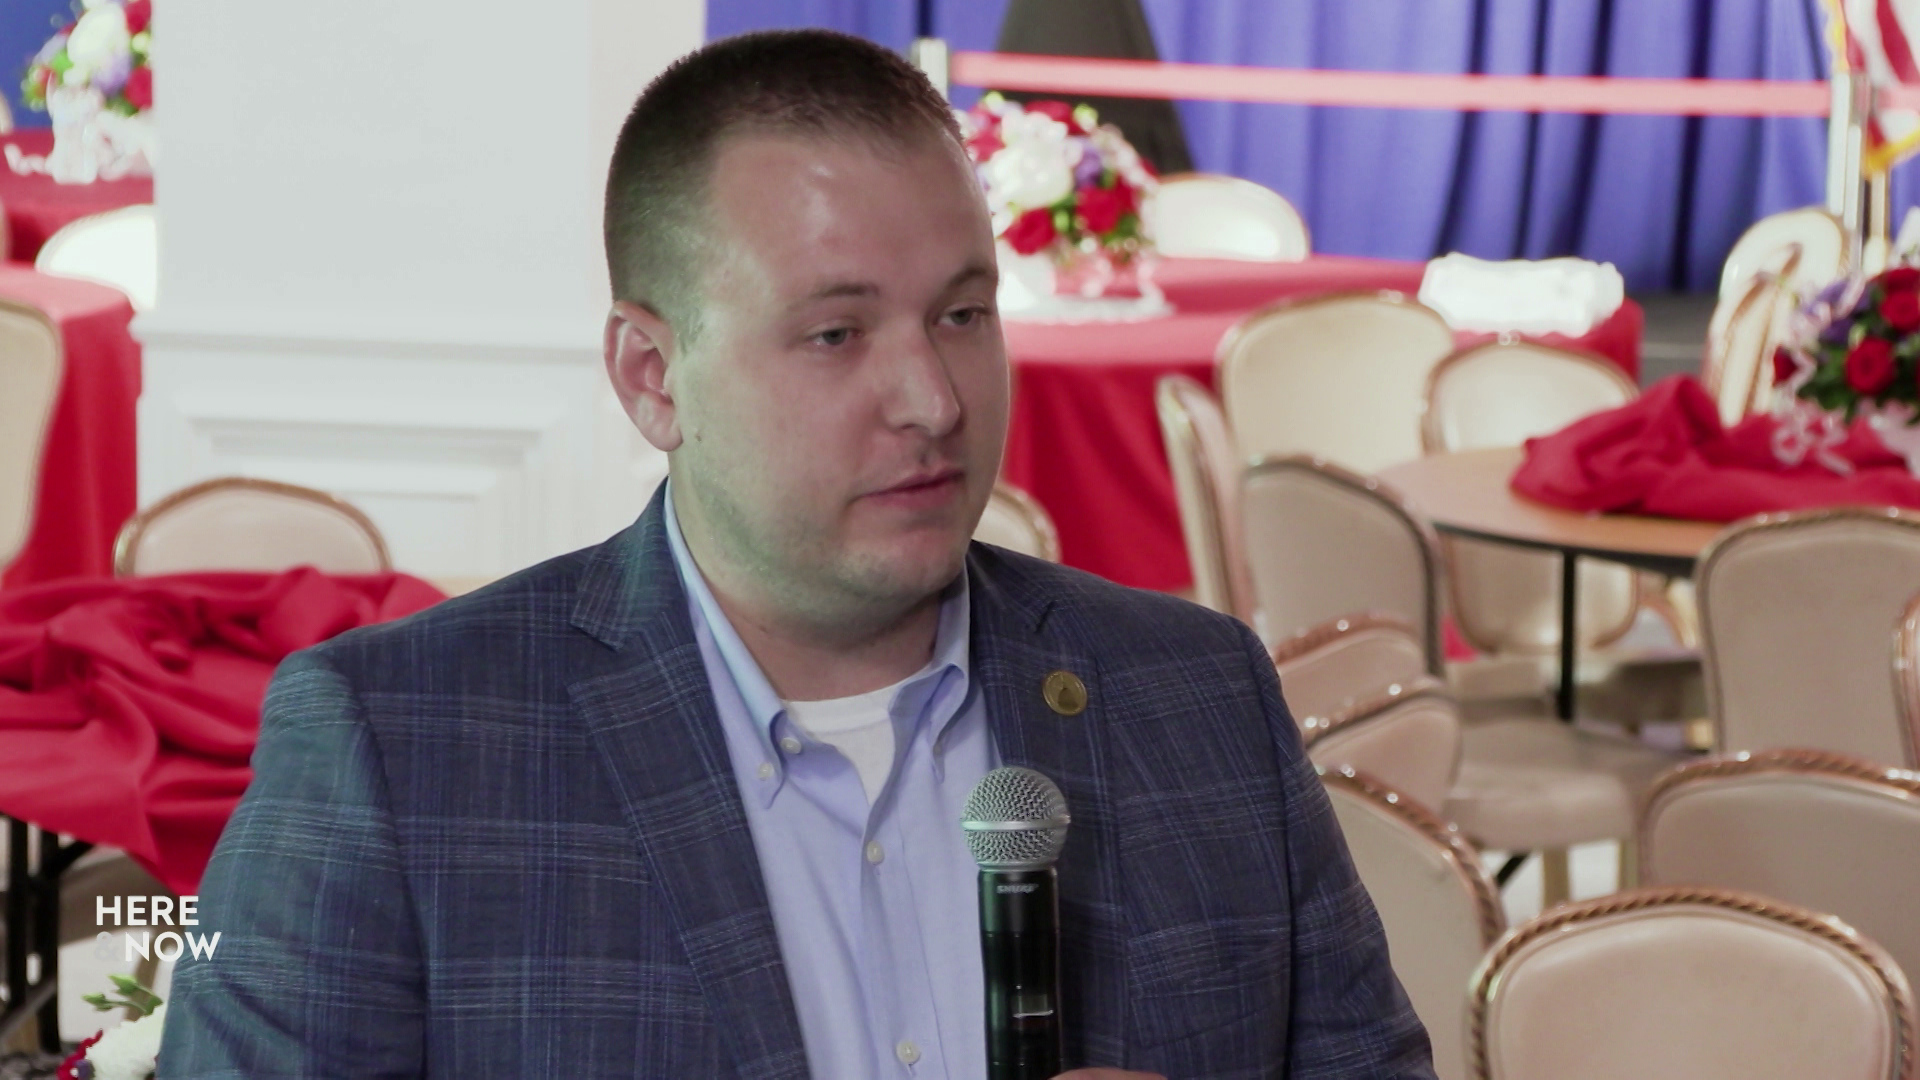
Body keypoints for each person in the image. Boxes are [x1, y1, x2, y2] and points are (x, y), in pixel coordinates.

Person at [159, 29, 1434, 1080]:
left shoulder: (1197, 694)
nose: (933, 399)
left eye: (964, 314)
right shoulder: (404, 747)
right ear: (652, 377)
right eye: (835, 335)